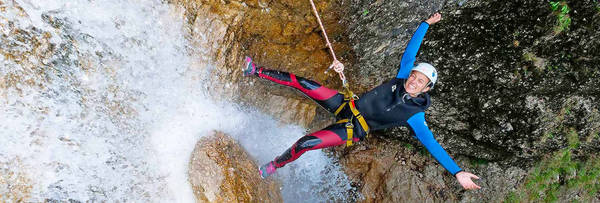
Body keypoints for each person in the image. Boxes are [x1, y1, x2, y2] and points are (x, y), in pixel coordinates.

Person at [243, 13, 481, 190]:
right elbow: (410, 52)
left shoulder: (415, 116)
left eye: (421, 82)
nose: (414, 82)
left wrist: (457, 171)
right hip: (346, 104)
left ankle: (274, 165)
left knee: (306, 143)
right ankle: (254, 70)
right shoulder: (401, 77)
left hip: (352, 129)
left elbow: (432, 144)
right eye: (414, 77)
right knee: (304, 83)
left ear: (427, 89)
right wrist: (425, 25)